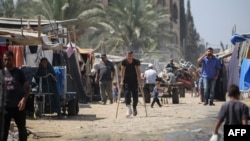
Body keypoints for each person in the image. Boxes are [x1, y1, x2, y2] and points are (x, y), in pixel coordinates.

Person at [2, 50, 30, 141]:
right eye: (5, 60)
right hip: (4, 108)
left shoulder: (19, 73)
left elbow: (27, 88)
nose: (7, 62)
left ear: (13, 59)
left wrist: (24, 100)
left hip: (18, 107)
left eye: (9, 60)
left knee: (22, 130)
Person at [120, 51, 141, 117]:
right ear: (127, 55)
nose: (129, 57)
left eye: (131, 56)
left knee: (135, 96)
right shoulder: (124, 62)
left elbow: (138, 70)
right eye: (128, 56)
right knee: (127, 93)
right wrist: (121, 81)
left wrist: (139, 78)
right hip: (126, 81)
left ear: (133, 55)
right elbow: (122, 71)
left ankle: (134, 107)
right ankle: (128, 108)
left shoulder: (136, 61)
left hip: (134, 81)